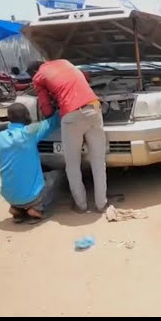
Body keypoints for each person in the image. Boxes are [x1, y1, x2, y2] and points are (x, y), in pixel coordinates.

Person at [27, 59, 107, 214]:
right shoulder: (65, 62)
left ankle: (81, 205)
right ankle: (101, 204)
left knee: (72, 164)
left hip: (71, 116)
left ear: (34, 72)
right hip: (94, 108)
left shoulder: (38, 77)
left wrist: (53, 102)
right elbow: (85, 77)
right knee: (98, 161)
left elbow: (47, 109)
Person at [0, 103, 64, 222]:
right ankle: (37, 208)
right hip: (32, 198)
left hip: (8, 195)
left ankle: (17, 209)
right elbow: (52, 123)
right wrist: (61, 107)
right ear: (27, 115)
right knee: (58, 175)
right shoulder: (29, 133)